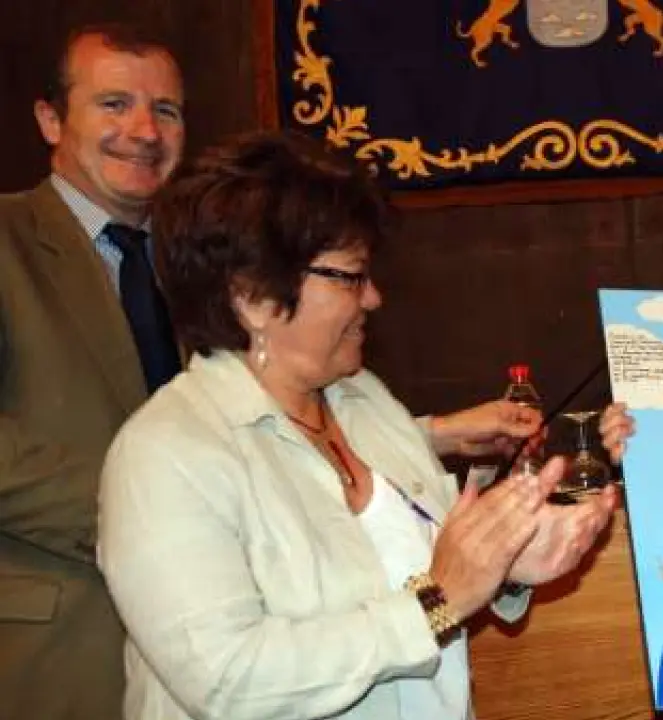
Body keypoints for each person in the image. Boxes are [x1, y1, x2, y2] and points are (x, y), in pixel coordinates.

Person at [96, 130, 635, 720]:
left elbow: (441, 573)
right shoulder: (164, 455)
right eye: (351, 276)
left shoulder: (364, 401)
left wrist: (507, 562)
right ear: (253, 297)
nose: (373, 298)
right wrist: (437, 603)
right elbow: (229, 680)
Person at [0, 23, 184, 719]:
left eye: (165, 110)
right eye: (114, 104)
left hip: (208, 659)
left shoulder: (205, 265)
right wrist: (151, 515)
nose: (145, 131)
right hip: (55, 660)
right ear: (51, 120)